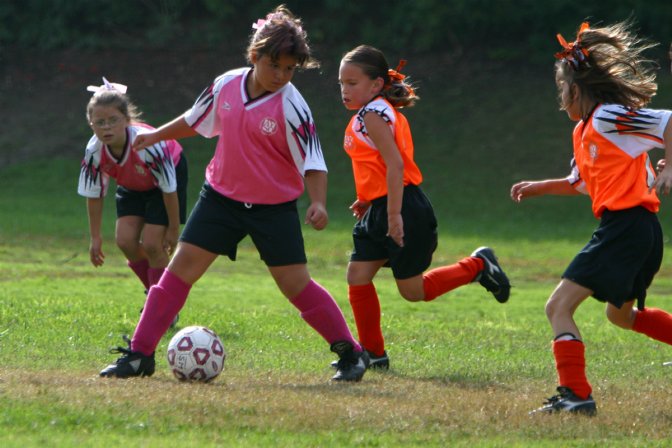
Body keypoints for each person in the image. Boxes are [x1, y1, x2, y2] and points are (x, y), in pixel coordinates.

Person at [99, 5, 369, 382]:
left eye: (290, 68)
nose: (282, 75)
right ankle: (139, 356)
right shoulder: (226, 84)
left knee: (295, 284)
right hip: (221, 198)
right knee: (177, 273)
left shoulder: (293, 106)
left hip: (273, 208)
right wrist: (157, 134)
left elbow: (313, 160)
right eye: (275, 65)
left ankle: (351, 353)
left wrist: (318, 201)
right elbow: (197, 120)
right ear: (255, 56)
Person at [510, 21, 672, 416]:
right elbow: (581, 183)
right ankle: (575, 394)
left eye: (561, 90)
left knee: (557, 307)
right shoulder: (586, 130)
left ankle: (575, 394)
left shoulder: (606, 118)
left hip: (626, 227)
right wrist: (539, 187)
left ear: (576, 90)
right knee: (620, 315)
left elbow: (668, 121)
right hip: (637, 230)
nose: (560, 98)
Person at [335, 45, 510, 370]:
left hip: (403, 207)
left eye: (352, 83)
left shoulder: (373, 114)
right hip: (383, 204)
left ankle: (478, 266)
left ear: (375, 85)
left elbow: (396, 166)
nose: (345, 90)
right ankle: (373, 354)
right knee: (358, 275)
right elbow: (375, 165)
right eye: (341, 83)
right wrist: (369, 198)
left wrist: (392, 215)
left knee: (413, 291)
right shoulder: (371, 111)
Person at [79, 78, 188, 326]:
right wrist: (95, 237)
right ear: (91, 124)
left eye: (113, 121)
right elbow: (94, 194)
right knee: (125, 241)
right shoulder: (94, 151)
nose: (106, 127)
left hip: (165, 183)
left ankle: (163, 308)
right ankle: (158, 296)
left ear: (127, 120)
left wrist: (173, 229)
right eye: (100, 122)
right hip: (133, 184)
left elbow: (169, 188)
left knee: (152, 244)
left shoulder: (146, 143)